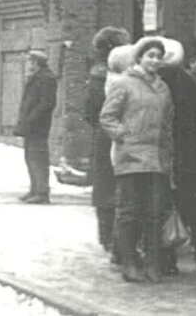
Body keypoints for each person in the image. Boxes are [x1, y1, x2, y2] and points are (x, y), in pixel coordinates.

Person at [100, 37, 175, 284]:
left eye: (158, 56)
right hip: (131, 158)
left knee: (153, 213)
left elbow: (167, 123)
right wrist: (125, 136)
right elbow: (108, 117)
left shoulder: (163, 88)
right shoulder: (124, 84)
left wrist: (167, 152)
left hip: (156, 159)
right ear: (139, 57)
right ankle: (129, 262)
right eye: (150, 55)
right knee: (129, 212)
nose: (154, 60)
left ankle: (152, 264)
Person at [157, 38, 196, 275]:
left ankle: (164, 258)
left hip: (162, 154)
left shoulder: (155, 82)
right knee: (191, 207)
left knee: (163, 207)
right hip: (188, 155)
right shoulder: (188, 83)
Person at [86, 28, 131, 258]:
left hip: (103, 137)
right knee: (114, 187)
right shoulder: (120, 76)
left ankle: (107, 236)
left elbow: (89, 113)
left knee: (105, 187)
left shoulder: (97, 75)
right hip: (115, 136)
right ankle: (112, 238)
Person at [14, 49, 57, 204]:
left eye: (30, 61)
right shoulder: (37, 77)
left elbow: (47, 103)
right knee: (30, 157)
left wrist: (31, 119)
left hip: (38, 125)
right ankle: (34, 189)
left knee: (38, 158)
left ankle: (42, 192)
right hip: (31, 124)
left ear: (36, 62)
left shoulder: (47, 79)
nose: (28, 64)